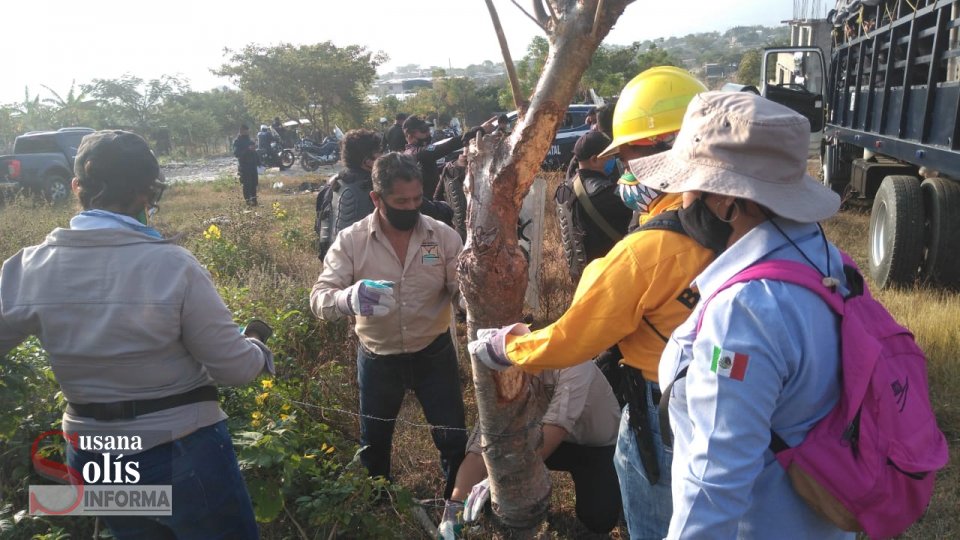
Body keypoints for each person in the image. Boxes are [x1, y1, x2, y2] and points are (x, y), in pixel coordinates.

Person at [468, 66, 713, 540]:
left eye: (629, 157)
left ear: (656, 151)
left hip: (668, 415)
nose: (626, 170)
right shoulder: (766, 220)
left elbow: (574, 338)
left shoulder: (650, 250)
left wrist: (507, 348)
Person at [0, 130, 274, 539]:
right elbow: (235, 369)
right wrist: (255, 346)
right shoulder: (173, 266)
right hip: (180, 451)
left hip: (94, 458)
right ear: (149, 193)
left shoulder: (29, 267)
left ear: (77, 187)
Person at [630, 91, 851, 539]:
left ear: (726, 204)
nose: (679, 202)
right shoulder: (828, 261)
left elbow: (714, 487)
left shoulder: (742, 315)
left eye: (687, 187)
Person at [310, 152, 467, 501]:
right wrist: (348, 299)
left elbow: (462, 290)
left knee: (452, 435)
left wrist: (473, 300)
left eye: (416, 199)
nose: (410, 208)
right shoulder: (352, 241)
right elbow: (319, 297)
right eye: (400, 201)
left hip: (433, 352)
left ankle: (457, 504)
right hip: (379, 358)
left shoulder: (441, 236)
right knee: (374, 441)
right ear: (376, 199)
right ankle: (378, 505)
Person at [439, 361, 622, 536]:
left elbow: (556, 429)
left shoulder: (575, 364)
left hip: (596, 447)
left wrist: (500, 477)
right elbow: (482, 448)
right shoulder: (505, 372)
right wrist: (453, 509)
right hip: (540, 441)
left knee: (598, 518)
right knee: (499, 449)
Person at [597, 67, 707, 232]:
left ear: (671, 148)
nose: (624, 179)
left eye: (629, 166)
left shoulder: (643, 248)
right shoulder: (726, 212)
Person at [557, 130, 631, 278]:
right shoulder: (606, 193)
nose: (613, 159)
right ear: (595, 160)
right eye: (609, 156)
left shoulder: (562, 190)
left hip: (580, 276)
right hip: (608, 275)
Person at [403, 115, 496, 200]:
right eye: (423, 130)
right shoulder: (412, 154)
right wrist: (475, 132)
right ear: (410, 136)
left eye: (428, 129)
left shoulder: (421, 154)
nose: (428, 133)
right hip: (422, 210)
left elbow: (436, 171)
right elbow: (446, 146)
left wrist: (457, 163)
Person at [233, 124, 259, 205]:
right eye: (245, 131)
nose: (247, 132)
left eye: (248, 131)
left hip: (253, 166)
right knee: (247, 185)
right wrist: (247, 149)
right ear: (241, 131)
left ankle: (254, 201)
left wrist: (258, 162)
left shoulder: (250, 141)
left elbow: (255, 153)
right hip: (244, 166)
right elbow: (237, 154)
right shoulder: (237, 142)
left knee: (254, 184)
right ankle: (248, 202)